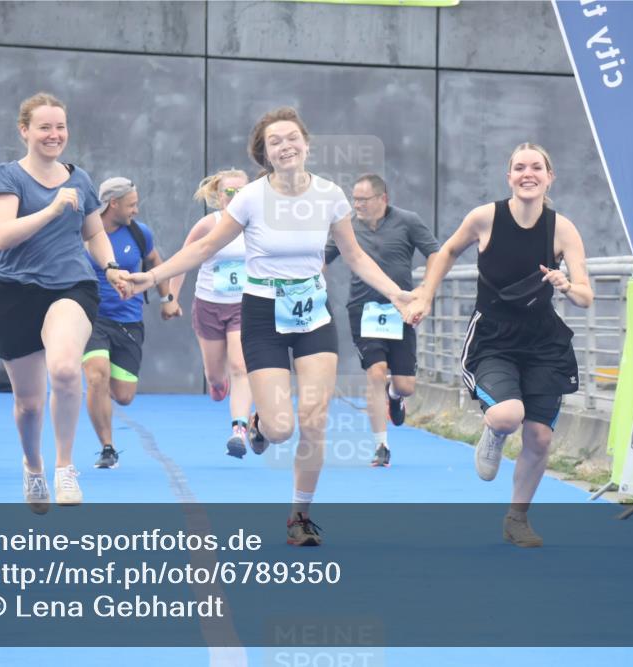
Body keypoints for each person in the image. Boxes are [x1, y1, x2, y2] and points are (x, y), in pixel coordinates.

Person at [124, 107, 412, 546]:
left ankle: (300, 517)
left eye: (292, 137)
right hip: (262, 314)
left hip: (313, 314)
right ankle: (259, 422)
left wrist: (397, 293)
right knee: (281, 429)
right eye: (274, 141)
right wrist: (152, 278)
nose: (285, 146)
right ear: (265, 154)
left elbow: (354, 255)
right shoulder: (250, 198)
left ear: (306, 144)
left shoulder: (330, 195)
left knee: (314, 418)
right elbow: (204, 247)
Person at [405, 143, 593, 547]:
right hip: (493, 338)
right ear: (509, 177)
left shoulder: (562, 229)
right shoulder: (485, 218)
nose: (528, 174)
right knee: (508, 415)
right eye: (520, 167)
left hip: (543, 342)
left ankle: (517, 519)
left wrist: (566, 284)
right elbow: (447, 251)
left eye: (537, 167)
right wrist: (425, 295)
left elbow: (585, 296)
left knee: (540, 438)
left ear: (549, 177)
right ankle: (494, 430)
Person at [0, 92, 129, 512]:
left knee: (65, 369)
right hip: (12, 292)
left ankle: (65, 466)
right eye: (44, 127)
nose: (54, 134)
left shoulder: (79, 179)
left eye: (60, 127)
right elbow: (2, 236)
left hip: (70, 286)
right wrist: (51, 209)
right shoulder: (8, 176)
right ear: (24, 130)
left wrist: (111, 266)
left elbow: (93, 232)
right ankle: (34, 467)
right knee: (28, 403)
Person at [324, 174, 439, 467]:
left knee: (405, 385)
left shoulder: (408, 221)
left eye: (363, 199)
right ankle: (381, 445)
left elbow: (435, 253)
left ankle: (395, 395)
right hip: (363, 310)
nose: (357, 205)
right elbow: (322, 258)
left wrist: (425, 288)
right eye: (354, 199)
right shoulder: (347, 227)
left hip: (401, 310)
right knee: (375, 372)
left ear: (382, 199)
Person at [87, 177, 181, 470]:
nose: (136, 210)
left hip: (129, 321)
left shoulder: (140, 234)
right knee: (96, 376)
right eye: (132, 205)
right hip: (91, 319)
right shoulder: (84, 233)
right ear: (113, 204)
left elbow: (155, 263)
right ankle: (107, 447)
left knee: (124, 396)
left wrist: (167, 299)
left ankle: (101, 395)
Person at [168, 169, 253, 459]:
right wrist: (171, 298)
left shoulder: (256, 225)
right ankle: (219, 384)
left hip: (243, 306)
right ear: (219, 196)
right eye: (230, 192)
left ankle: (239, 430)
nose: (236, 196)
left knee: (240, 366)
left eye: (242, 191)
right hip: (209, 305)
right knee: (215, 377)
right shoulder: (208, 225)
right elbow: (182, 260)